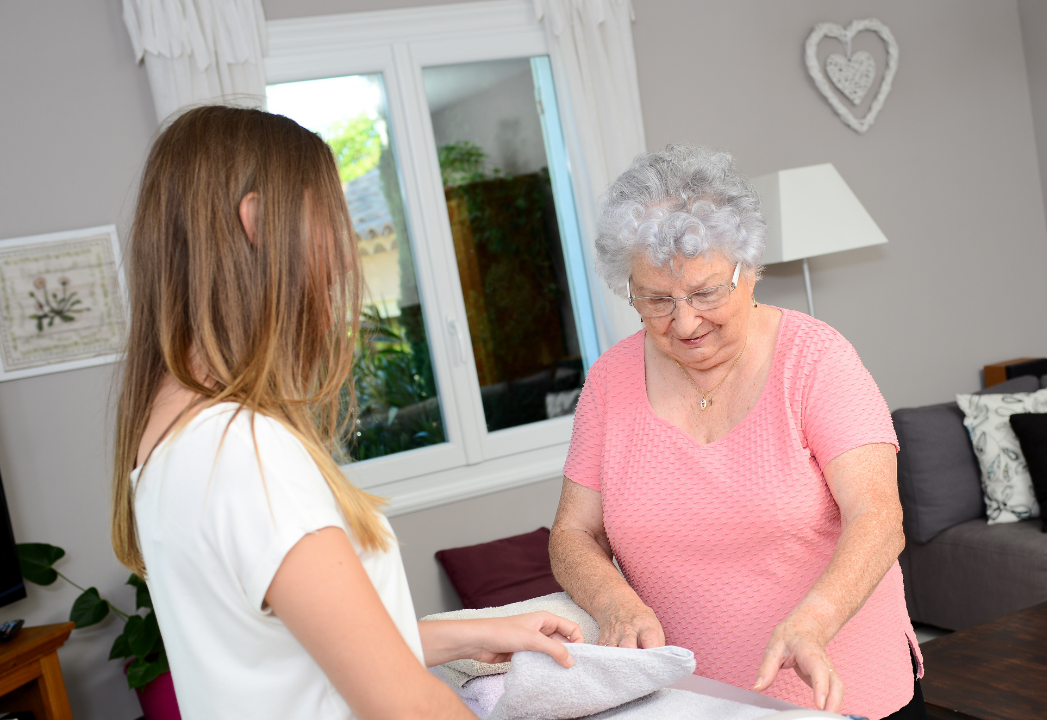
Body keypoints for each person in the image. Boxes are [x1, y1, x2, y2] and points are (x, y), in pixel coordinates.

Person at [109, 106, 581, 720]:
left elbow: (292, 659)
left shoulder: (170, 439)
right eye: (329, 218)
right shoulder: (243, 450)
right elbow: (406, 707)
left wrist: (473, 634)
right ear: (257, 223)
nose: (345, 251)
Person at [549, 144, 923, 720]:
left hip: (843, 698)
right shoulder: (610, 381)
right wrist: (613, 602)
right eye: (655, 301)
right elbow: (573, 533)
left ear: (749, 271)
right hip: (691, 705)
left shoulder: (816, 360)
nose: (684, 322)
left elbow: (879, 518)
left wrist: (814, 621)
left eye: (704, 293)